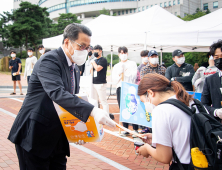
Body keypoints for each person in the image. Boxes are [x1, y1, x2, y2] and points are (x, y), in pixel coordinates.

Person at [8, 23, 115, 170]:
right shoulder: (50, 60)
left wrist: (81, 131)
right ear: (67, 42)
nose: (85, 51)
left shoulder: (75, 68)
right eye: (81, 46)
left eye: (87, 48)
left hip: (57, 138)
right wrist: (93, 111)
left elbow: (72, 100)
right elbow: (58, 94)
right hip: (34, 134)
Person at [136, 73, 200, 169]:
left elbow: (164, 157)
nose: (145, 106)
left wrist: (147, 149)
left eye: (143, 101)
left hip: (184, 166)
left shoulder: (161, 110)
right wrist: (156, 138)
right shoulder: (192, 101)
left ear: (150, 93)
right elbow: (185, 134)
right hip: (203, 162)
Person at [112, 46, 138, 137]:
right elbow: (114, 80)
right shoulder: (116, 66)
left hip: (130, 87)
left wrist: (125, 72)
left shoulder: (132, 63)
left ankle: (135, 129)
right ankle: (125, 128)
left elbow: (133, 76)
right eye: (121, 53)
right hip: (120, 88)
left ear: (127, 53)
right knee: (123, 108)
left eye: (125, 53)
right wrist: (120, 73)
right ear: (119, 54)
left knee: (132, 107)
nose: (123, 55)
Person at [140, 50, 166, 133]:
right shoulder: (144, 69)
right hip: (150, 95)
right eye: (152, 57)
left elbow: (166, 81)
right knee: (151, 113)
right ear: (148, 58)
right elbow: (144, 83)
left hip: (161, 95)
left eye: (155, 56)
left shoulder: (162, 69)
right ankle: (149, 130)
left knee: (160, 115)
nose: (154, 58)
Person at [201, 40, 222, 123]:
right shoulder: (210, 80)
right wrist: (215, 112)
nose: (220, 60)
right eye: (216, 57)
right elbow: (203, 105)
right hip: (218, 126)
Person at [91, 45, 109, 114]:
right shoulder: (94, 60)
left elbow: (98, 68)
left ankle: (106, 116)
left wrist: (93, 63)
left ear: (100, 51)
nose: (95, 53)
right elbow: (91, 71)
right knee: (95, 101)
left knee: (103, 101)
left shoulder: (103, 60)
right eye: (94, 51)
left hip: (101, 83)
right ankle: (97, 115)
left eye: (96, 51)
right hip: (94, 83)